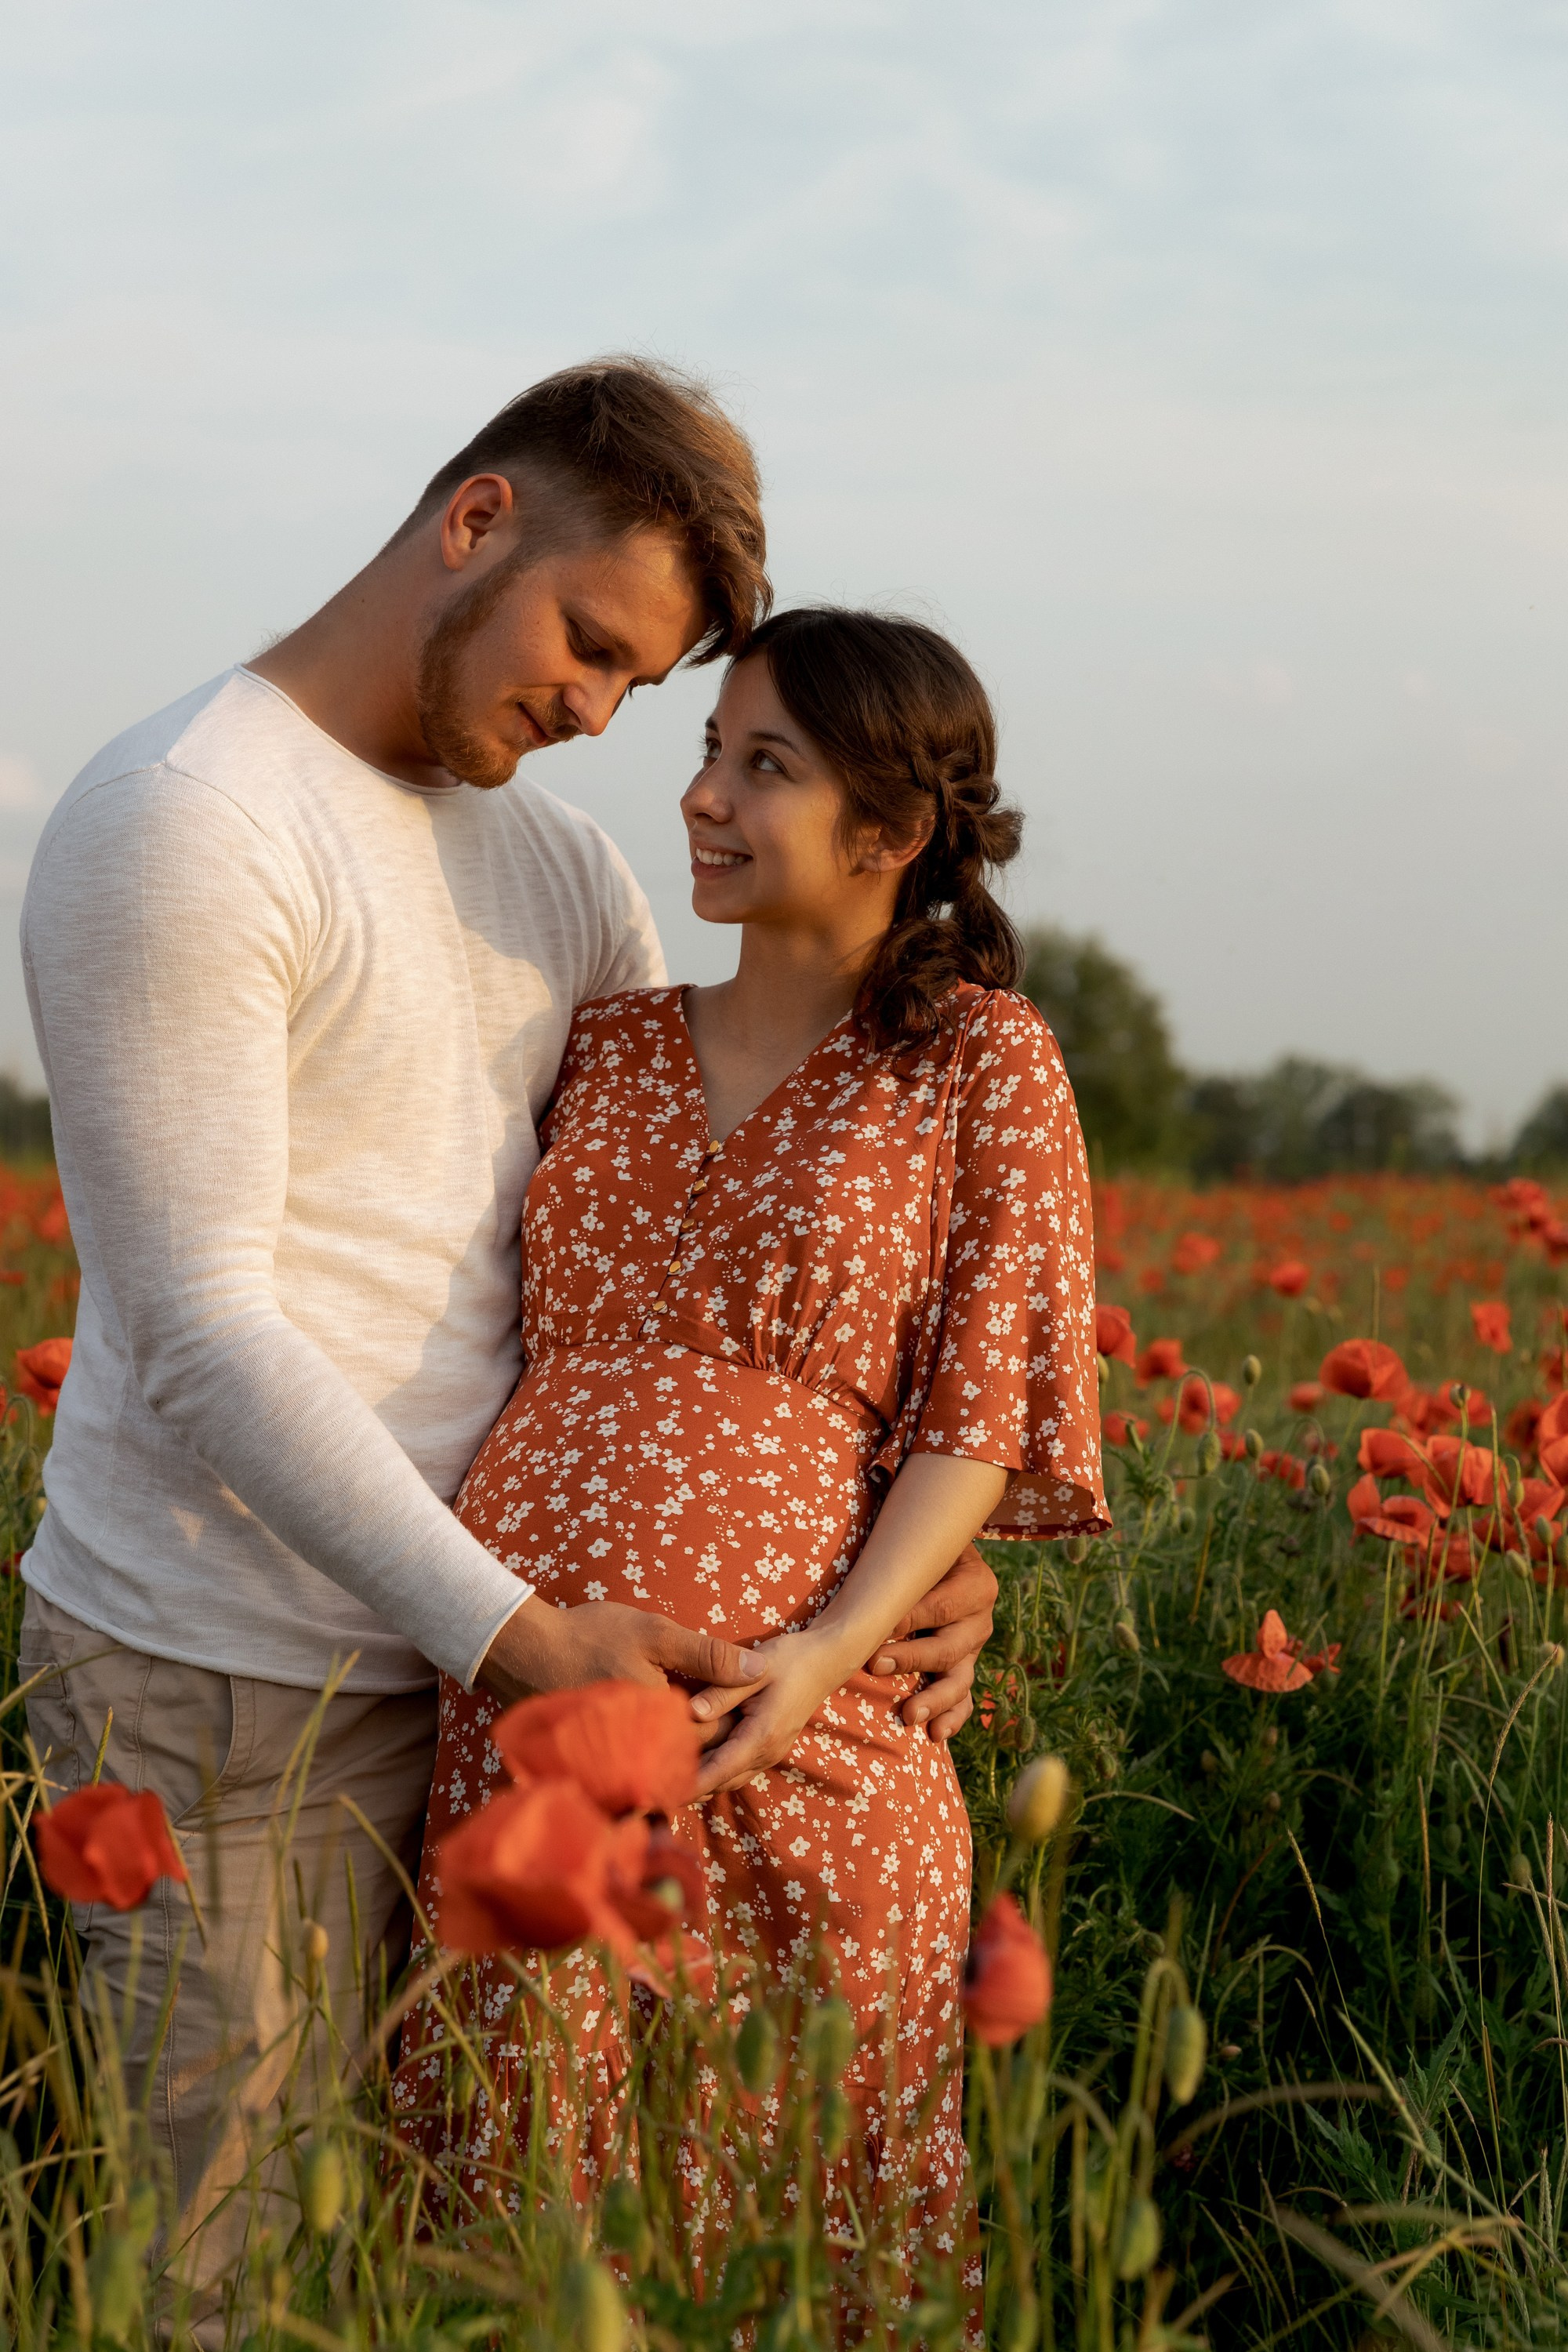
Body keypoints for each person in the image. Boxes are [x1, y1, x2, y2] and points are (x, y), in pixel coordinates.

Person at [17, 362, 996, 2315]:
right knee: (230, 2276)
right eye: (593, 646)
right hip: (239, 1691)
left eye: (642, 693)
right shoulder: (187, 822)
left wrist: (910, 1568)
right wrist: (529, 1639)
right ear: (474, 523)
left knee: (464, 2273)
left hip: (501, 1718)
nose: (597, 715)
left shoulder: (552, 863)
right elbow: (204, 1333)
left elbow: (691, 1241)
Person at [394, 607, 1108, 2326]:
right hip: (533, 1725)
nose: (704, 797)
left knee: (799, 2231)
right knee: (536, 2231)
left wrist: (823, 1659)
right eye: (707, 753)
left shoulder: (978, 1061)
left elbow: (971, 1411)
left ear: (892, 829)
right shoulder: (607, 1039)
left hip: (800, 1733)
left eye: (761, 765)